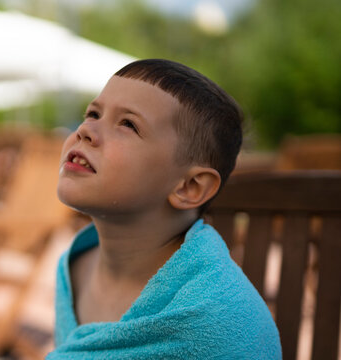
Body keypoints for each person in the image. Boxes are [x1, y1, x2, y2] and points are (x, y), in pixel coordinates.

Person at [48, 59, 281, 359]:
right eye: (93, 113)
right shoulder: (72, 267)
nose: (85, 130)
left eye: (128, 124)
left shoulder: (220, 319)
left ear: (190, 187)